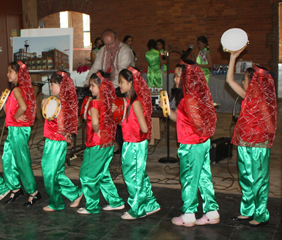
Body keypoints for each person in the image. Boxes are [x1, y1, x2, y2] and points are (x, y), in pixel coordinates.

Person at [160, 59, 220, 227]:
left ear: (188, 78)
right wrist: (167, 110)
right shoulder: (198, 96)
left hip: (191, 145)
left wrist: (193, 137)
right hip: (202, 143)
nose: (175, 80)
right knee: (203, 177)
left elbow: (192, 122)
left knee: (189, 178)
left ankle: (188, 214)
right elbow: (183, 119)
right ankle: (211, 211)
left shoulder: (188, 99)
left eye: (178, 76)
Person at [226, 50, 277, 226]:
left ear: (255, 82)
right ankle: (247, 210)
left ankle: (260, 214)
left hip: (258, 145)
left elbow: (270, 126)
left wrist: (264, 140)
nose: (243, 82)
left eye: (246, 79)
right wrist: (233, 58)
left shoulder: (262, 102)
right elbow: (229, 80)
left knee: (259, 180)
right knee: (246, 178)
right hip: (243, 143)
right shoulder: (247, 96)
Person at [78, 71, 125, 214]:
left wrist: (97, 130)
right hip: (107, 143)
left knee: (87, 175)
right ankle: (115, 202)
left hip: (96, 144)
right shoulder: (109, 103)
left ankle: (91, 206)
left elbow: (96, 124)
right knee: (103, 175)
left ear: (101, 87)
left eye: (93, 86)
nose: (90, 89)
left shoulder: (94, 102)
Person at [116, 66, 160, 220]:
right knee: (140, 175)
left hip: (135, 144)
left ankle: (138, 208)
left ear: (131, 83)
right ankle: (150, 204)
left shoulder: (135, 103)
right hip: (131, 143)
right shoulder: (128, 101)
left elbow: (144, 127)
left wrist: (133, 130)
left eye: (122, 82)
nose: (119, 85)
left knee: (132, 176)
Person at [41, 71, 83, 212]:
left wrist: (66, 134)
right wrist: (44, 105)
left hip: (55, 142)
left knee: (49, 173)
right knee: (57, 173)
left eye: (53, 84)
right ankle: (75, 194)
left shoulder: (62, 103)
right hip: (53, 141)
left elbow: (64, 123)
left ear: (62, 86)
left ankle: (56, 203)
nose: (51, 87)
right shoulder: (56, 101)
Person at [2, 61, 41, 207]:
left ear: (19, 73)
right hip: (13, 129)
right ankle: (15, 188)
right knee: (8, 158)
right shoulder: (15, 90)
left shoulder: (18, 90)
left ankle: (34, 192)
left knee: (22, 161)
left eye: (10, 71)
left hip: (18, 130)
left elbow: (23, 107)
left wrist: (17, 116)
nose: (8, 74)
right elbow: (9, 112)